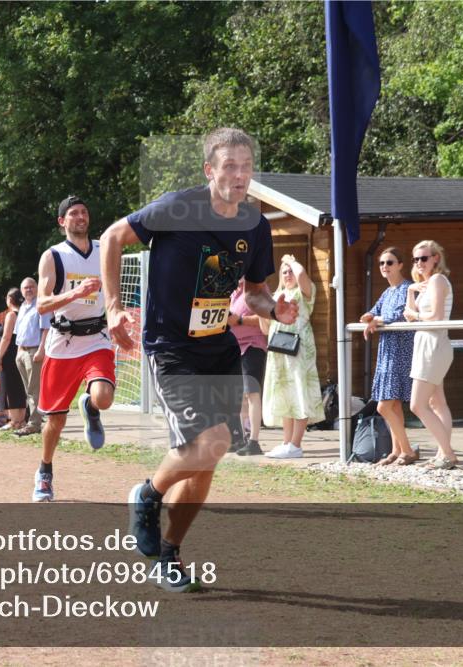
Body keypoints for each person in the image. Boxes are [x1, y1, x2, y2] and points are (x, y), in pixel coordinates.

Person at [101, 127, 297, 593]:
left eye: (246, 167)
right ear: (210, 170)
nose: (239, 176)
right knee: (213, 441)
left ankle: (169, 554)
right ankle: (147, 494)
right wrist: (112, 307)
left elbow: (255, 291)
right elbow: (112, 238)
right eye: (229, 166)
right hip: (172, 348)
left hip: (219, 348)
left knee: (206, 462)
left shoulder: (255, 225)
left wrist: (275, 309)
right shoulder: (177, 208)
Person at [33, 195, 118, 502]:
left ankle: (91, 407)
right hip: (64, 342)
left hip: (97, 337)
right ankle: (44, 471)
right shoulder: (53, 256)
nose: (81, 217)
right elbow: (42, 304)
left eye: (84, 212)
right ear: (62, 221)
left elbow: (114, 291)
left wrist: (118, 317)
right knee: (55, 420)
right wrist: (75, 293)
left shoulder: (104, 249)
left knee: (103, 397)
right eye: (74, 213)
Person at [262, 254, 325, 459]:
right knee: (285, 396)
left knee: (299, 393)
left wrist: (290, 261)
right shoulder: (276, 296)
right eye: (284, 272)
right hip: (279, 351)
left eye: (290, 271)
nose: (288, 274)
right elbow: (265, 328)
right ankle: (286, 443)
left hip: (299, 350)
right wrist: (263, 312)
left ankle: (296, 444)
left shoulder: (304, 292)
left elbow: (301, 274)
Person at [403, 240, 458, 470]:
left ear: (436, 258)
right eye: (416, 259)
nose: (419, 263)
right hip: (427, 343)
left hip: (433, 344)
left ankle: (448, 454)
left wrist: (414, 315)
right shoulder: (426, 284)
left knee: (417, 405)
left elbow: (435, 316)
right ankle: (442, 453)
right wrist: (410, 290)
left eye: (424, 258)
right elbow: (409, 315)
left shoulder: (437, 280)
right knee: (437, 403)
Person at [360, 247, 417, 465]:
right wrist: (369, 316)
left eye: (390, 262)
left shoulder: (407, 288)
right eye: (382, 263)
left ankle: (408, 450)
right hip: (387, 350)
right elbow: (376, 310)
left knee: (383, 406)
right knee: (393, 406)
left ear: (400, 265)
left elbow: (401, 315)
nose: (385, 266)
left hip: (400, 351)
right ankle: (396, 450)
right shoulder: (388, 292)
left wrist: (377, 320)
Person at [227, 278, 270, 456]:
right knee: (241, 396)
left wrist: (239, 320)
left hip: (253, 346)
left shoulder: (258, 287)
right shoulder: (233, 290)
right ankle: (243, 438)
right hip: (235, 347)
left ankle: (254, 441)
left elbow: (265, 317)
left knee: (252, 394)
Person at [12, 277, 50, 435]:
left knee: (34, 389)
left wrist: (41, 350)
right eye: (25, 287)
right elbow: (19, 331)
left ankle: (34, 424)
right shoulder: (22, 307)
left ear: (37, 288)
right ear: (21, 291)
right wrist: (18, 352)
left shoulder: (41, 304)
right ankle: (35, 420)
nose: (29, 289)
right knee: (28, 390)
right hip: (22, 351)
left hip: (34, 351)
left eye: (31, 286)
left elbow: (46, 329)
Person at [0, 287, 28, 430]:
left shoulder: (11, 315)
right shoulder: (25, 313)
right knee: (20, 386)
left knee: (10, 386)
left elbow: (6, 337)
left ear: (10, 299)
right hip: (21, 351)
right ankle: (21, 420)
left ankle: (14, 421)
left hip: (10, 354)